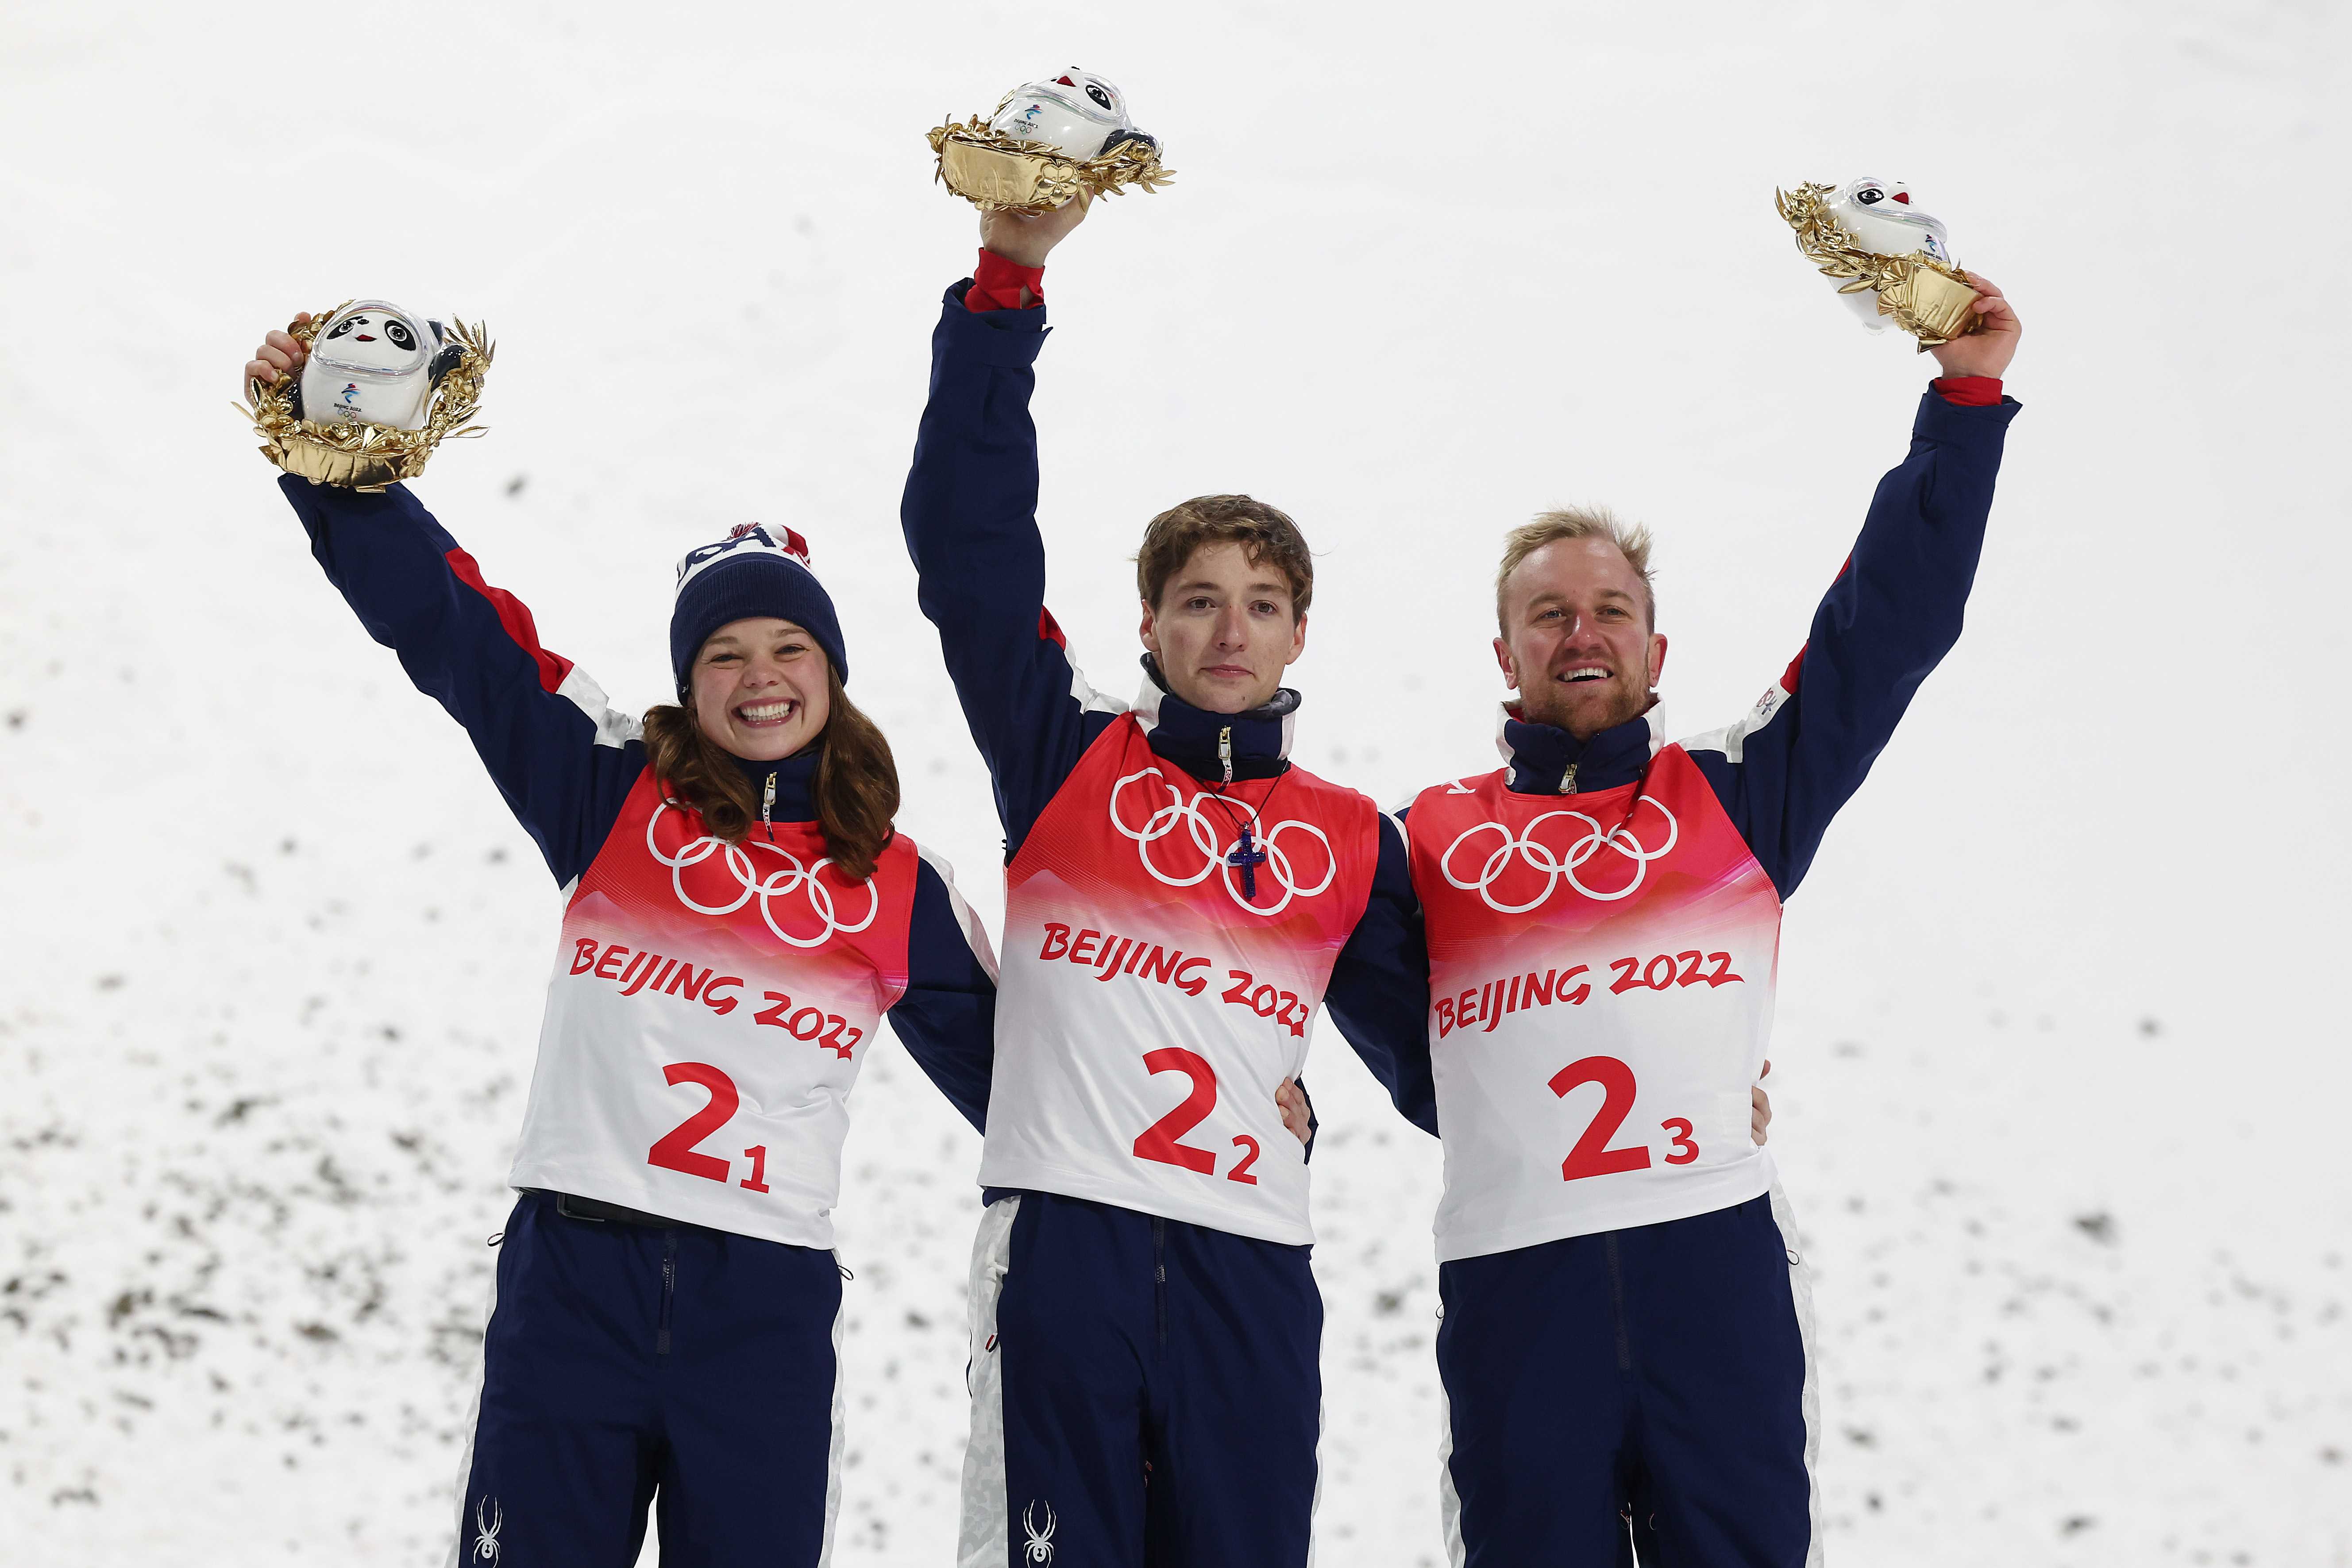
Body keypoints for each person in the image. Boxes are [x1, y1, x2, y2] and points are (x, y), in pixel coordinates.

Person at [899, 205, 1773, 1567]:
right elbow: (966, 556)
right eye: (1195, 599)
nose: (1228, 627)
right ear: (1147, 624)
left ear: (1301, 628)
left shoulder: (1353, 842)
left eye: (1259, 600)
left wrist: (1674, 1084)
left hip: (1251, 1264)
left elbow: (1451, 1051)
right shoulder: (1064, 757)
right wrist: (1004, 288)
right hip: (1068, 1247)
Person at [243, 319, 1001, 1568]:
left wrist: (1251, 1092)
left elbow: (1037, 1089)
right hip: (573, 1288)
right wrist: (336, 462)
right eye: (725, 654)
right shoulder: (610, 799)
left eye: (787, 649)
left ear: (831, 673)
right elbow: (455, 635)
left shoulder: (898, 886)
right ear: (689, 686)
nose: (760, 679)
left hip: (759, 1311)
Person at [1386, 279, 2024, 1564]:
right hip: (1520, 1281)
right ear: (1502, 655)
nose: (1583, 632)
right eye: (1549, 613)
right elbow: (1308, 981)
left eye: (1610, 610)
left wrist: (1961, 403)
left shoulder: (1732, 799)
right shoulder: (1423, 839)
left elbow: (1883, 630)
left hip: (1712, 1266)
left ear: (1655, 650)